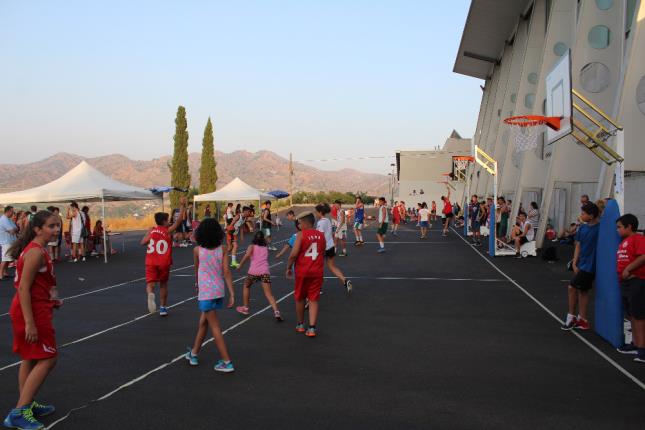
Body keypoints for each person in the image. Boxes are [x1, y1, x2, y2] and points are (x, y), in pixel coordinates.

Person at [4, 210, 61, 430]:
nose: (56, 229)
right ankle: (19, 412)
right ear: (37, 229)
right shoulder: (35, 252)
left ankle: (26, 404)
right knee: (48, 358)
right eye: (51, 226)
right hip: (31, 313)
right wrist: (30, 322)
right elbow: (23, 289)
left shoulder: (40, 250)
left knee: (29, 357)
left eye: (57, 225)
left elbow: (42, 283)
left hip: (36, 309)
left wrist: (53, 300)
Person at [184, 218, 235, 372]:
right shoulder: (223, 249)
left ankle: (227, 362)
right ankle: (194, 353)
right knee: (204, 322)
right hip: (218, 290)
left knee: (214, 326)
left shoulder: (197, 250)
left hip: (206, 292)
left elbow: (196, 269)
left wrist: (197, 284)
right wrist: (232, 293)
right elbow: (226, 272)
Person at [140, 198, 187, 316]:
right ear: (165, 222)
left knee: (150, 284)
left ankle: (150, 293)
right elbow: (179, 221)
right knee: (163, 284)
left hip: (151, 261)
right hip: (163, 262)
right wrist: (182, 206)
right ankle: (162, 308)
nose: (169, 222)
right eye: (167, 220)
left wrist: (148, 232)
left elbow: (142, 243)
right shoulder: (168, 231)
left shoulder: (153, 231)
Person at [561, 202, 600, 331]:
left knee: (571, 287)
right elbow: (578, 245)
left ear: (592, 215)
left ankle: (571, 317)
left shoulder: (600, 228)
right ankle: (582, 320)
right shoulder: (582, 228)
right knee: (583, 291)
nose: (581, 215)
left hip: (590, 265)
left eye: (583, 213)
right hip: (581, 263)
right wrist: (574, 261)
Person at [286, 211, 326, 337]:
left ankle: (300, 324)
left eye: (299, 222)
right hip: (317, 271)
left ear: (303, 222)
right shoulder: (321, 235)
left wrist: (288, 267)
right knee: (313, 299)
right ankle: (312, 328)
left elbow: (293, 254)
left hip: (303, 271)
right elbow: (322, 252)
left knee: (300, 297)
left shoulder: (301, 235)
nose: (298, 225)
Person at [615, 214, 645, 362]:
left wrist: (628, 269)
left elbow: (643, 256)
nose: (617, 230)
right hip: (626, 283)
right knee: (632, 314)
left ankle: (642, 348)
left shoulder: (638, 239)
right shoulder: (623, 242)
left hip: (636, 282)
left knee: (639, 316)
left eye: (620, 227)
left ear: (629, 227)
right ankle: (635, 343)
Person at [235, 231, 283, 321]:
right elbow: (267, 238)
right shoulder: (265, 247)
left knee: (246, 286)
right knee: (269, 294)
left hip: (253, 272)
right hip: (264, 272)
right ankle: (276, 311)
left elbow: (247, 255)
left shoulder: (251, 246)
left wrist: (240, 265)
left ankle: (245, 308)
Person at [314, 203, 352, 293]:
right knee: (332, 266)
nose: (315, 214)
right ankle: (345, 281)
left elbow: (320, 237)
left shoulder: (320, 223)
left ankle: (318, 288)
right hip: (330, 247)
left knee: (318, 268)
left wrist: (317, 249)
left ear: (320, 212)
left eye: (316, 212)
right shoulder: (327, 220)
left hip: (323, 248)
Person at [0, 206, 19, 281]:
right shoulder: (4, 220)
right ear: (7, 211)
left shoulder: (8, 220)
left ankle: (5, 273)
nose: (13, 213)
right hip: (6, 242)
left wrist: (13, 230)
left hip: (9, 241)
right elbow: (12, 230)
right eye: (12, 211)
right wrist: (13, 230)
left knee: (8, 259)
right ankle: (1, 275)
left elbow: (16, 228)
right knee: (5, 259)